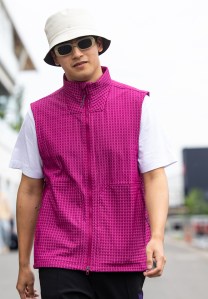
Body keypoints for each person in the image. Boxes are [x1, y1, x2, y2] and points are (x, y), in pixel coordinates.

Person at [10, 7, 177, 299]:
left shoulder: (137, 105)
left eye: (84, 43)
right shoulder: (39, 115)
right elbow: (29, 190)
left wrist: (158, 237)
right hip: (59, 256)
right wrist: (24, 263)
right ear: (56, 58)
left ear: (99, 44)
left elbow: (153, 177)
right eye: (65, 48)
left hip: (122, 255)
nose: (77, 53)